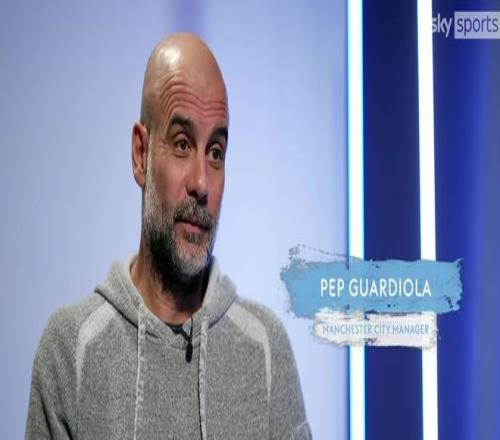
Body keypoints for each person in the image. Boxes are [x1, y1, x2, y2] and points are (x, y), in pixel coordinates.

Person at [25, 33, 311, 439]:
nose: (201, 183)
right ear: (140, 154)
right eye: (181, 144)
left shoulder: (265, 350)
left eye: (216, 152)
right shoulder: (70, 350)